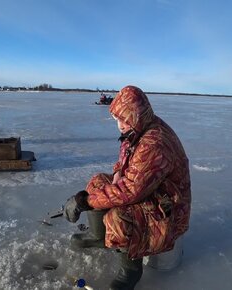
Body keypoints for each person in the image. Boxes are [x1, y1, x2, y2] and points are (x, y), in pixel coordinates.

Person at [64, 85, 191, 289]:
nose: (120, 125)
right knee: (98, 183)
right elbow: (125, 161)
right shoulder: (137, 127)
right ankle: (97, 236)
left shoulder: (154, 143)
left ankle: (131, 270)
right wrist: (116, 174)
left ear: (137, 115)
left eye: (125, 119)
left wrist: (83, 201)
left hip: (167, 205)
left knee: (120, 216)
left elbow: (130, 191)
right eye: (118, 120)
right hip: (147, 188)